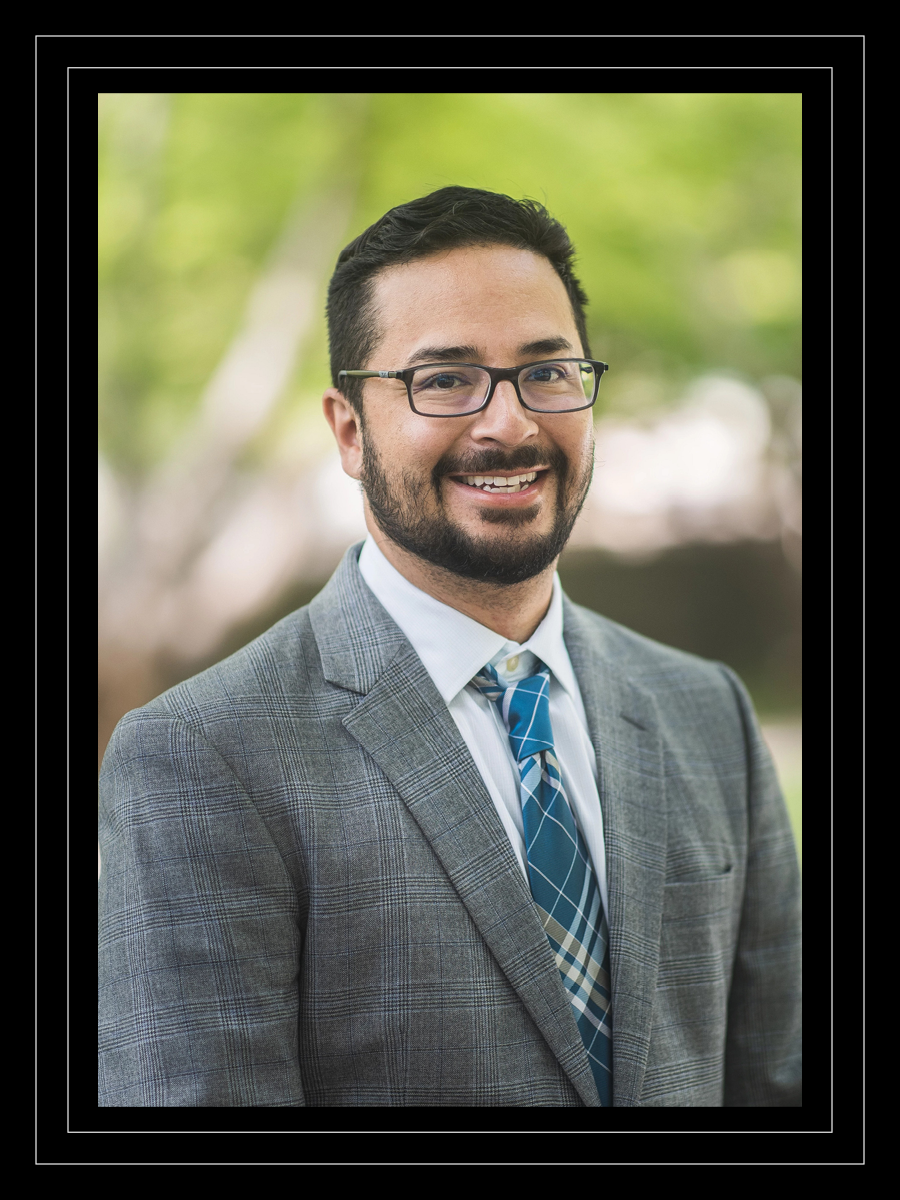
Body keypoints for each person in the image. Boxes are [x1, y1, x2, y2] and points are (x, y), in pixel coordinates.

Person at [98, 186, 801, 1108]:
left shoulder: (708, 711)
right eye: (444, 379)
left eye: (545, 373)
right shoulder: (200, 758)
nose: (508, 423)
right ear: (350, 432)